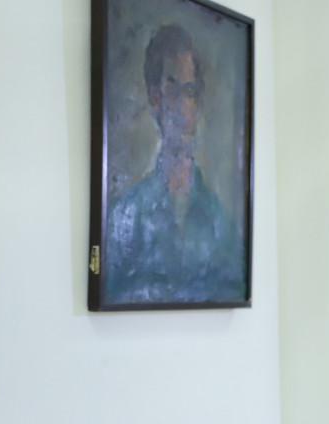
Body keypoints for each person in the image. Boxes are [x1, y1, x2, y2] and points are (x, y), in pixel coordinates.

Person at [105, 24, 245, 305]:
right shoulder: (126, 217)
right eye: (172, 91)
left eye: (190, 91)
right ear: (155, 100)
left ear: (198, 103)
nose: (182, 106)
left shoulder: (219, 220)